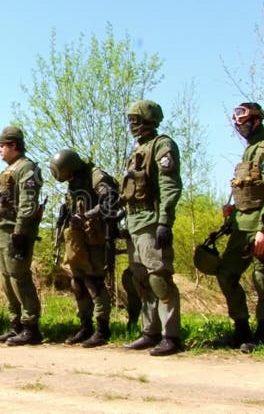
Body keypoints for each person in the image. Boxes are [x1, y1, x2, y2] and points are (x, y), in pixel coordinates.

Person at [211, 103, 264, 353]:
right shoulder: (248, 152)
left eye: (243, 121)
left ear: (256, 120)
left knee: (262, 278)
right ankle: (241, 330)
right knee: (226, 273)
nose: (239, 126)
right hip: (241, 224)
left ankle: (263, 334)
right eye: (236, 122)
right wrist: (231, 215)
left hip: (261, 224)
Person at [120, 100, 183, 356]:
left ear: (148, 119)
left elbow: (170, 186)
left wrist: (164, 222)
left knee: (159, 277)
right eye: (130, 120)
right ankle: (150, 331)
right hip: (134, 221)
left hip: (152, 220)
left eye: (135, 119)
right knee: (140, 279)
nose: (132, 124)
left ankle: (171, 336)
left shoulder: (162, 145)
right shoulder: (136, 150)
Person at [50, 149, 121, 348]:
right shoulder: (74, 182)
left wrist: (86, 216)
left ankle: (102, 329)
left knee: (94, 283)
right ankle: (85, 326)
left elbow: (111, 200)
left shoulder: (95, 176)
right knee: (78, 283)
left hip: (95, 238)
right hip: (77, 240)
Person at [0, 126, 44, 346]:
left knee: (19, 278)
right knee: (6, 279)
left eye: (2, 146)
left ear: (13, 145)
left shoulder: (27, 168)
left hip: (14, 231)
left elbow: (28, 202)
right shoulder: (8, 170)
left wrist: (20, 230)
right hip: (0, 230)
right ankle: (16, 324)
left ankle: (31, 327)